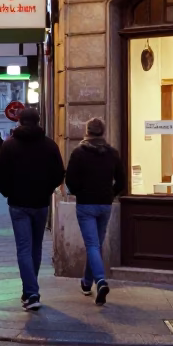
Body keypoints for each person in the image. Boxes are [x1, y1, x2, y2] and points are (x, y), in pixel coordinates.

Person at [0, 107, 65, 310]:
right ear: (39, 121)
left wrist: (9, 192)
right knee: (36, 247)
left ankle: (31, 292)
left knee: (24, 248)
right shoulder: (49, 145)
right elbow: (59, 173)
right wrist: (46, 189)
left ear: (20, 122)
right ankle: (30, 290)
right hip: (41, 203)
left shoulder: (10, 146)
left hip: (18, 204)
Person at [64, 118, 126, 306]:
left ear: (87, 131)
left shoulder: (78, 153)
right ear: (103, 132)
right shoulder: (112, 153)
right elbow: (122, 182)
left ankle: (100, 280)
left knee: (92, 245)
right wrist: (110, 194)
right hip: (104, 204)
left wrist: (79, 192)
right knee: (96, 245)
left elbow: (70, 181)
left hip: (86, 205)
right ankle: (86, 282)